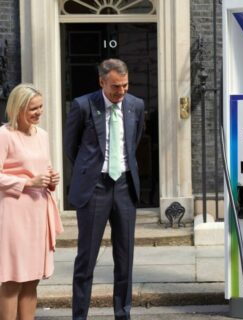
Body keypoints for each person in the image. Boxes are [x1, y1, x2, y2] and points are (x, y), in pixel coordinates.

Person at [64, 58, 145, 320]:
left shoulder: (135, 106)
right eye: (115, 87)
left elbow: (135, 141)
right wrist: (89, 173)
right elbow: (71, 148)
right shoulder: (83, 105)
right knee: (86, 259)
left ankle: (123, 314)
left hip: (124, 185)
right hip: (94, 188)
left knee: (125, 259)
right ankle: (80, 316)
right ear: (101, 82)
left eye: (124, 85)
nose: (121, 92)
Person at [0, 83, 63, 320]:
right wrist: (28, 182)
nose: (39, 112)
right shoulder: (4, 135)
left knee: (31, 279)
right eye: (33, 109)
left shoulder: (43, 135)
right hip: (14, 214)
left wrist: (51, 179)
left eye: (40, 107)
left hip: (38, 213)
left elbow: (41, 170)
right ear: (17, 109)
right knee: (12, 279)